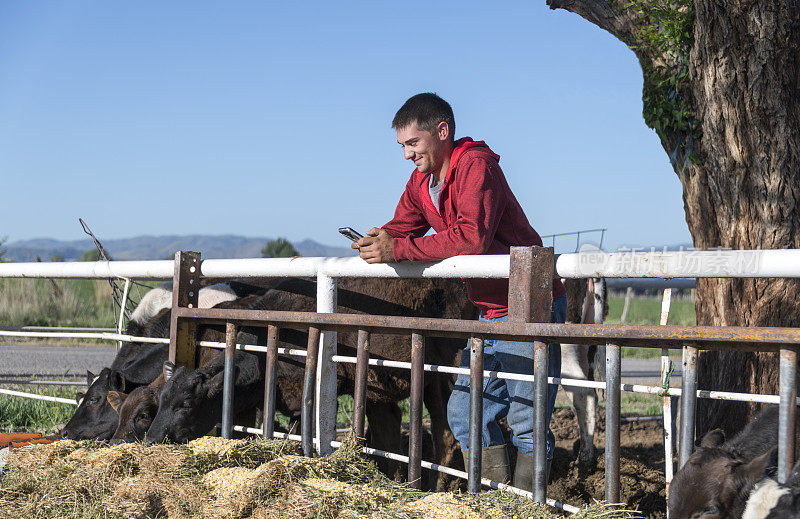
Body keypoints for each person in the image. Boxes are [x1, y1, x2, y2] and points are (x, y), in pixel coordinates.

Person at [353, 92, 567, 489]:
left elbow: (472, 239)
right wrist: (381, 237)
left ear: (443, 131)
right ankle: (493, 502)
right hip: (490, 308)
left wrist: (396, 249)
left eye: (413, 143)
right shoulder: (423, 180)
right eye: (402, 146)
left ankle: (522, 509)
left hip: (527, 301)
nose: (406, 154)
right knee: (466, 413)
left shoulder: (476, 166)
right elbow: (406, 223)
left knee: (525, 420)